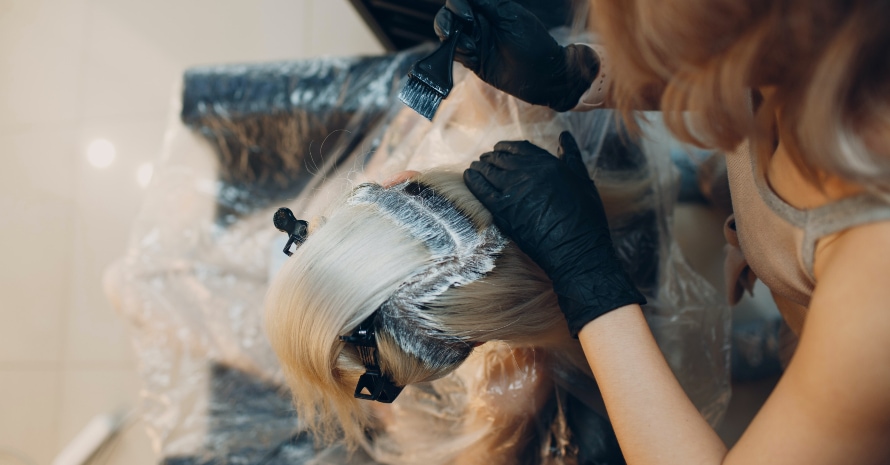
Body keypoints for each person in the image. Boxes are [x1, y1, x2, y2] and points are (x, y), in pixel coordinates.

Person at [435, 0, 890, 463]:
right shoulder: (835, 43)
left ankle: (774, 343)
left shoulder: (874, 296)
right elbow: (739, 70)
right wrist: (573, 76)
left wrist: (588, 281)